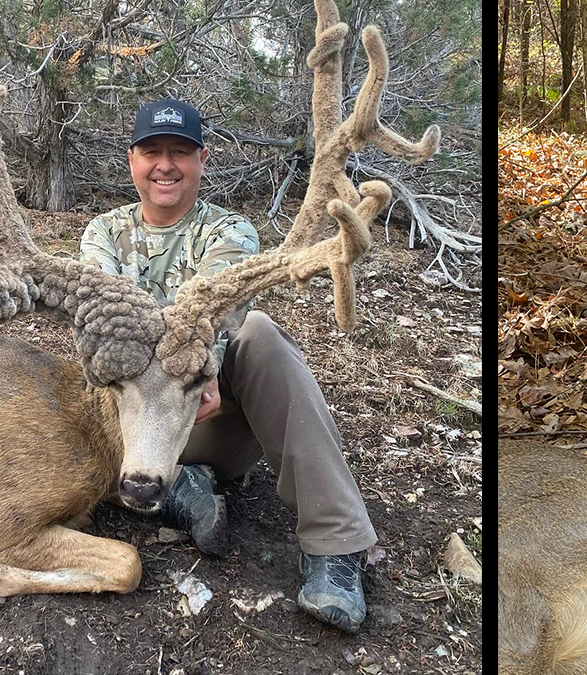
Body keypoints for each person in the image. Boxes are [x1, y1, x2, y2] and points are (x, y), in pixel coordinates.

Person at [80, 98, 377, 633]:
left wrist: (208, 368)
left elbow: (215, 310)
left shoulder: (230, 232)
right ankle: (175, 489)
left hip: (205, 418)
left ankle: (336, 545)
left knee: (258, 331)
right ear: (132, 160)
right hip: (126, 434)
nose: (165, 165)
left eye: (179, 152)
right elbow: (105, 324)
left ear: (202, 160)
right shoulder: (101, 234)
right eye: (152, 152)